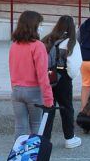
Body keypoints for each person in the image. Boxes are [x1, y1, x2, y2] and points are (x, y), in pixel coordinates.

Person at [8, 10, 55, 138]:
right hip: (34, 90)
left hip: (17, 89)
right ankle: (34, 155)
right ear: (34, 26)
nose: (41, 27)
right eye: (39, 24)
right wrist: (48, 98)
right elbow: (42, 75)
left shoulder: (14, 45)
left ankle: (19, 153)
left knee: (20, 126)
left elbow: (12, 68)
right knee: (36, 125)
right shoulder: (38, 46)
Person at [41, 15, 82, 149]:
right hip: (63, 77)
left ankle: (44, 138)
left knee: (48, 108)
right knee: (66, 107)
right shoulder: (71, 42)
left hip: (48, 75)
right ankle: (69, 138)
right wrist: (69, 76)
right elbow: (74, 65)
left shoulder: (48, 39)